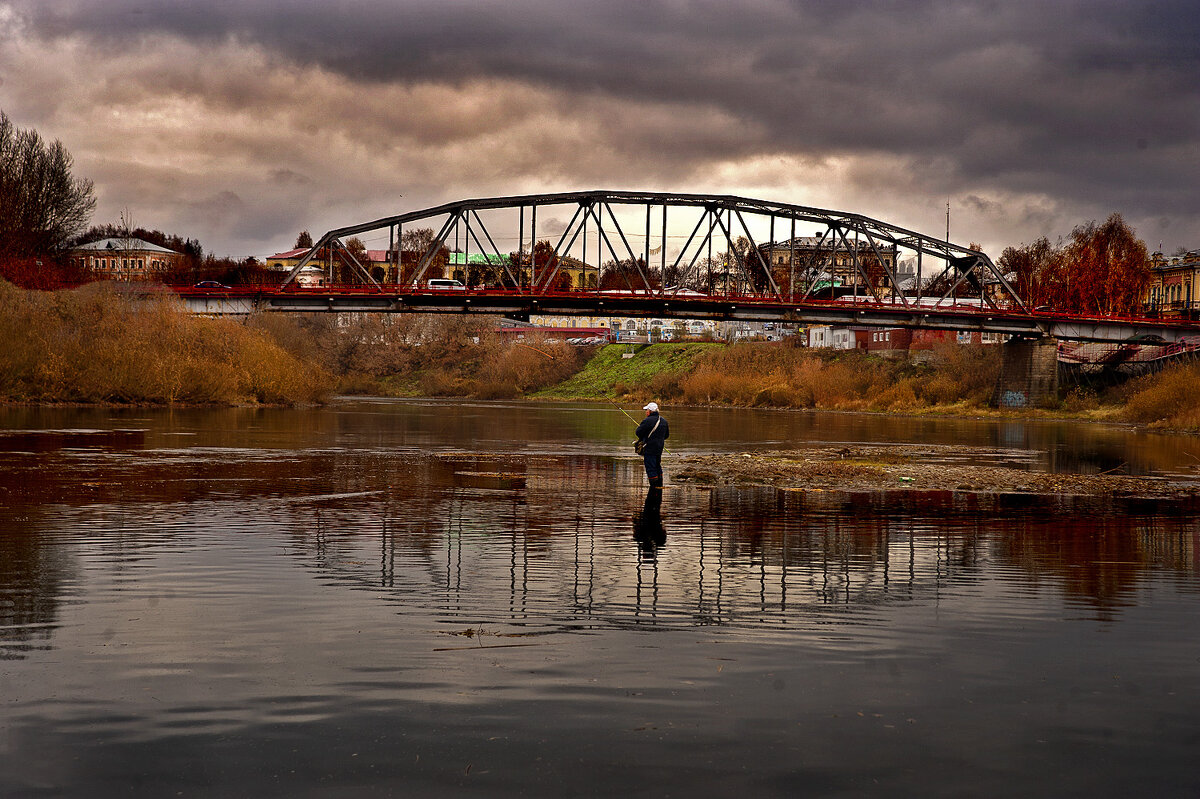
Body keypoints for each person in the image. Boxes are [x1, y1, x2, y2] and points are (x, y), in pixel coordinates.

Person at [635, 401, 669, 488]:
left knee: (650, 467)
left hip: (649, 448)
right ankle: (660, 485)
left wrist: (645, 438)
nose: (646, 412)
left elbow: (638, 432)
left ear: (650, 411)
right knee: (657, 465)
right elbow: (666, 435)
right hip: (659, 449)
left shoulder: (647, 421)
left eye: (647, 410)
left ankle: (654, 488)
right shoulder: (664, 421)